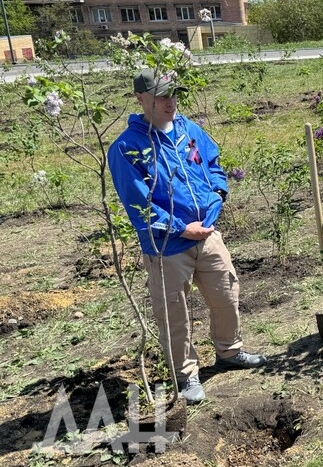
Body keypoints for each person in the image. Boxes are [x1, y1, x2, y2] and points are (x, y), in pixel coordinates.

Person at [108, 68, 267, 405]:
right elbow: (138, 205)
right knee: (173, 313)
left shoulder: (188, 129)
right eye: (162, 96)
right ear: (141, 98)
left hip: (207, 235)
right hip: (167, 246)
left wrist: (218, 193)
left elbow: (211, 162)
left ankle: (229, 351)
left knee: (226, 295)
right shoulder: (127, 148)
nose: (171, 102)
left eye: (174, 94)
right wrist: (180, 228)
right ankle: (186, 375)